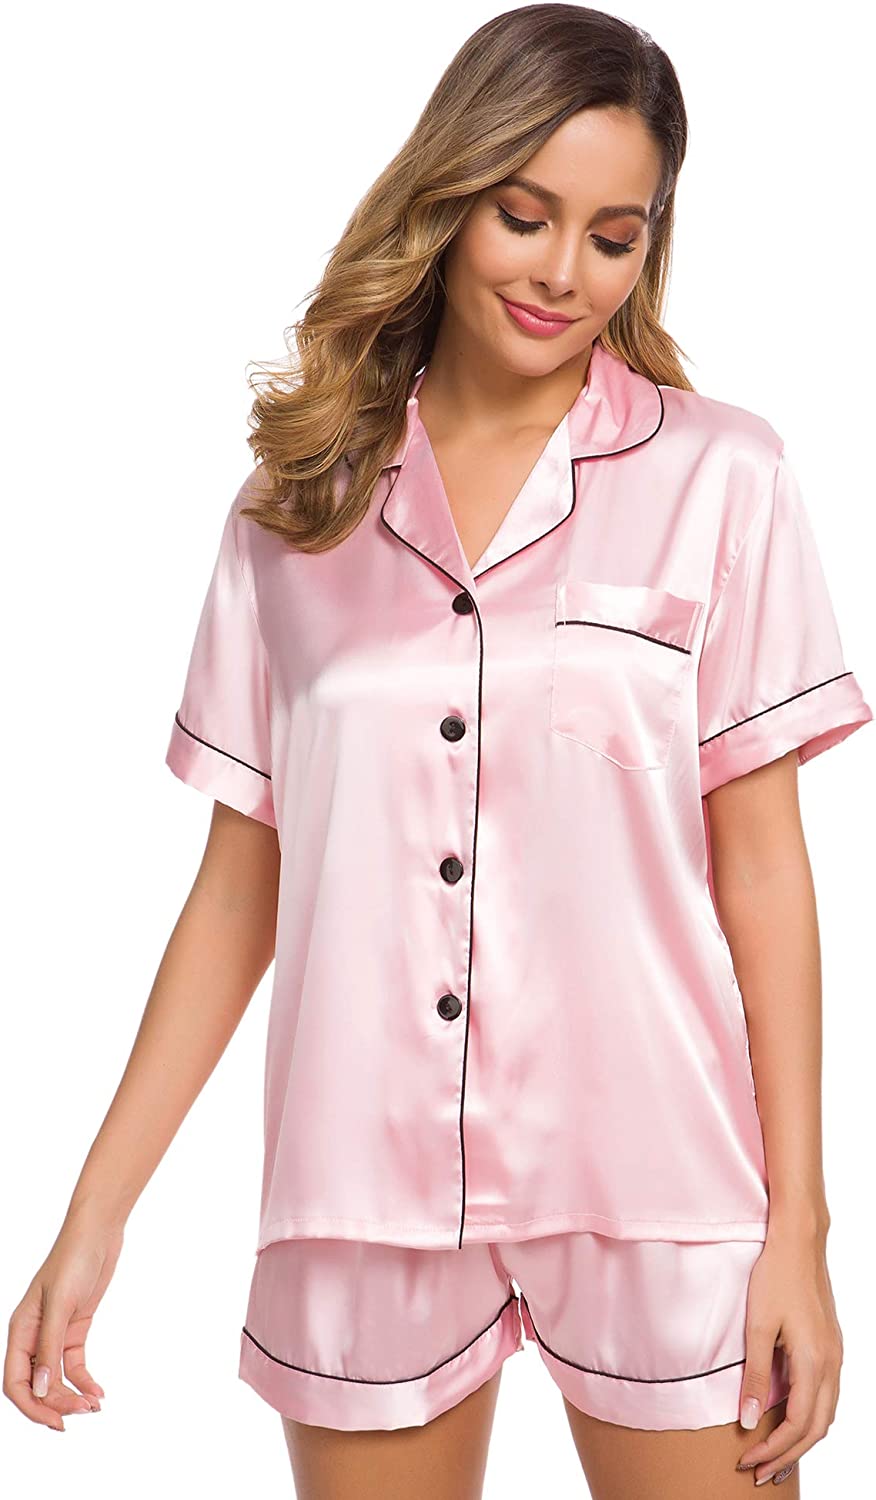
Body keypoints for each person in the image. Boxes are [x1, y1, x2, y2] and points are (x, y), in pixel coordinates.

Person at [5, 5, 872, 1496]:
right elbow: (240, 891)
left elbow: (766, 872)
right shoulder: (295, 512)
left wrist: (800, 1228)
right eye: (524, 216)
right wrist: (98, 1212)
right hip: (362, 1188)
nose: (563, 271)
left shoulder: (724, 476)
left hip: (662, 1180)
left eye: (613, 235)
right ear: (448, 196)